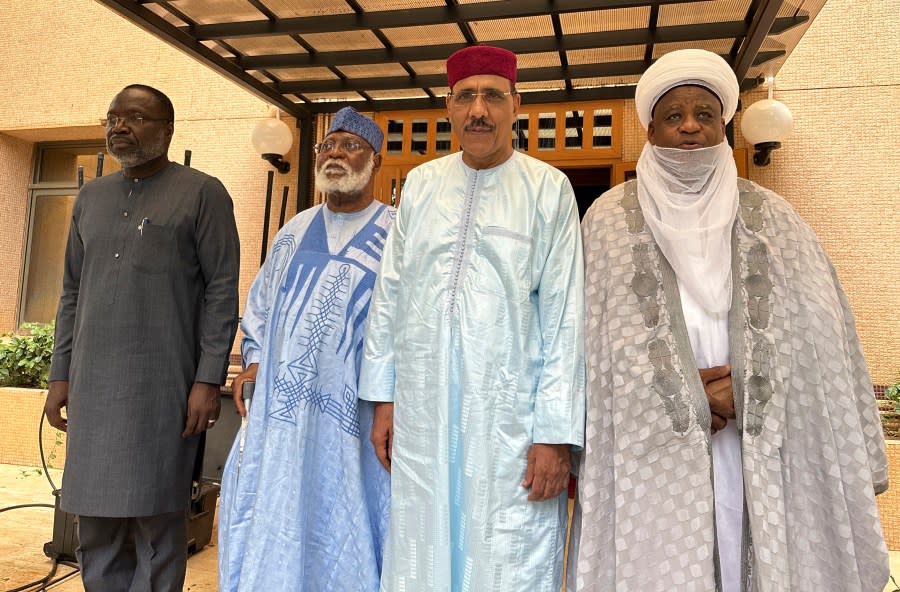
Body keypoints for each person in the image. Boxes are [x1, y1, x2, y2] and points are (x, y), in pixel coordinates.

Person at [569, 48, 889, 591]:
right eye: (674, 115)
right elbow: (586, 350)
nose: (690, 127)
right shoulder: (605, 225)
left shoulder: (776, 219)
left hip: (760, 442)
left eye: (705, 114)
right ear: (650, 130)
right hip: (654, 456)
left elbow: (822, 339)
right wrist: (689, 398)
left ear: (725, 127)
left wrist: (752, 384)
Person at [359, 45, 585, 592]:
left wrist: (555, 436)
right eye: (466, 97)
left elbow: (565, 318)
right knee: (422, 542)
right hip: (424, 410)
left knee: (507, 552)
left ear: (516, 105)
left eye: (491, 96)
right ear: (450, 106)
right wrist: (384, 401)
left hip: (510, 423)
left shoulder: (548, 189)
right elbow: (390, 296)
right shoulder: (421, 184)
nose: (478, 110)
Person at [44, 84, 240, 591]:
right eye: (112, 117)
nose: (119, 126)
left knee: (158, 518)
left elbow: (221, 292)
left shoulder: (202, 192)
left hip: (165, 387)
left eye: (134, 116)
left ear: (167, 129)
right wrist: (60, 374)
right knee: (95, 516)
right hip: (93, 384)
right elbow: (70, 293)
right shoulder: (90, 197)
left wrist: (207, 379)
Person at [218, 107, 394, 591]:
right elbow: (262, 305)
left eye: (350, 145)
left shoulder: (399, 233)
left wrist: (393, 399)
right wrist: (253, 362)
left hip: (357, 421)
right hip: (282, 419)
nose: (336, 153)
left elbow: (411, 325)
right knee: (276, 511)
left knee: (349, 518)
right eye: (327, 145)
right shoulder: (293, 231)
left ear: (376, 160)